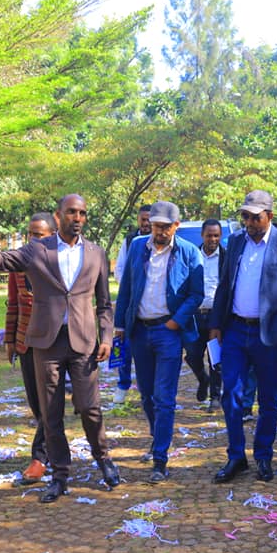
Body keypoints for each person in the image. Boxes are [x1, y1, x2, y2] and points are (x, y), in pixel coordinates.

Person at [0, 195, 119, 503]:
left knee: (89, 407)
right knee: (50, 412)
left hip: (83, 342)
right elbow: (0, 261)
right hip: (46, 342)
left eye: (82, 213)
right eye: (71, 212)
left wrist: (106, 338)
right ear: (58, 216)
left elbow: (105, 303)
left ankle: (103, 458)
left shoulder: (95, 253)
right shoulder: (37, 249)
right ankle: (60, 475)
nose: (77, 218)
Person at [209, 190, 277, 483]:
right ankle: (236, 456)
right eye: (245, 217)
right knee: (231, 395)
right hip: (235, 330)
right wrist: (216, 324)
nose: (249, 223)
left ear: (269, 216)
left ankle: (263, 456)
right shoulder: (235, 241)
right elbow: (225, 284)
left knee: (269, 400)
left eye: (255, 217)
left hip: (268, 334)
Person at [115, 201, 203, 483]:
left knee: (164, 397)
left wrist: (176, 321)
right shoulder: (137, 247)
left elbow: (196, 293)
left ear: (176, 226)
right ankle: (157, 438)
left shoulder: (189, 252)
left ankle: (160, 459)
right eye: (156, 226)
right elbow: (126, 288)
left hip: (168, 332)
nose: (160, 232)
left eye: (166, 227)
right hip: (140, 331)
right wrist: (120, 325)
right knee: (147, 394)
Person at [5, 212, 57, 484]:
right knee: (37, 404)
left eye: (41, 235)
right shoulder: (19, 263)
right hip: (26, 342)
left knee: (50, 402)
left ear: (53, 236)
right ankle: (53, 447)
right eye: (31, 235)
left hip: (53, 343)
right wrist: (10, 340)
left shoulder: (60, 262)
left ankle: (39, 457)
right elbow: (13, 303)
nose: (35, 240)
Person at [112, 204, 152, 405]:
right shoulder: (130, 241)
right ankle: (122, 384)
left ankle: (149, 389)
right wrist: (132, 286)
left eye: (149, 219)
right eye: (143, 219)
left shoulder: (162, 242)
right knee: (122, 346)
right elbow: (120, 269)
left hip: (151, 306)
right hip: (130, 303)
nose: (146, 223)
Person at [184, 219, 225, 410]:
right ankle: (203, 379)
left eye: (216, 235)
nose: (213, 239)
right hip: (195, 315)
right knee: (192, 354)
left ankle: (215, 396)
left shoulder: (226, 257)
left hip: (217, 315)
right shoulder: (192, 256)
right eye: (209, 235)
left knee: (215, 357)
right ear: (202, 235)